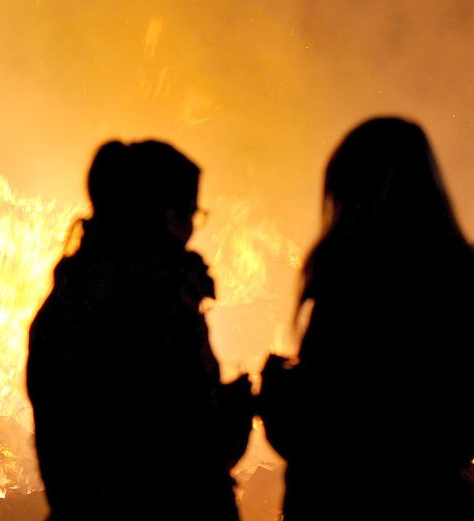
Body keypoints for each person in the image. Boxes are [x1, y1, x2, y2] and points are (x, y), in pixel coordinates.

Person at [259, 117, 474, 520]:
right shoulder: (461, 278)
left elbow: (332, 426)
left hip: (343, 502)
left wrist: (279, 393)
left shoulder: (350, 279)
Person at [27, 140, 251, 521]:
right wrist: (238, 410)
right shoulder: (155, 302)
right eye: (190, 214)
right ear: (166, 216)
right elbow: (180, 451)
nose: (193, 230)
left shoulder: (71, 294)